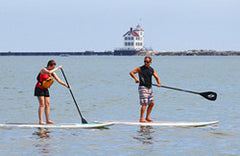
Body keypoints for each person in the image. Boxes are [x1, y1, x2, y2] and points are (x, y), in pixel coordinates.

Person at [34, 60, 70, 125]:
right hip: (39, 88)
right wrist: (58, 68)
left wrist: (67, 85)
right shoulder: (43, 70)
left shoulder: (52, 73)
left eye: (54, 67)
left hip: (45, 89)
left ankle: (47, 120)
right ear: (49, 66)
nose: (53, 68)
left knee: (47, 104)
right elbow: (49, 71)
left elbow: (59, 80)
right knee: (42, 104)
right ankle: (41, 120)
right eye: (53, 67)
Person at [130, 56, 161, 122]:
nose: (146, 63)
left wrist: (159, 83)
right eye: (145, 61)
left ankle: (147, 117)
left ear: (150, 62)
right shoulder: (140, 68)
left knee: (152, 103)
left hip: (149, 87)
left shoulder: (152, 69)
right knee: (145, 103)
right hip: (142, 87)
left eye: (147, 62)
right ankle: (141, 118)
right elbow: (131, 72)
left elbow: (157, 77)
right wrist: (136, 79)